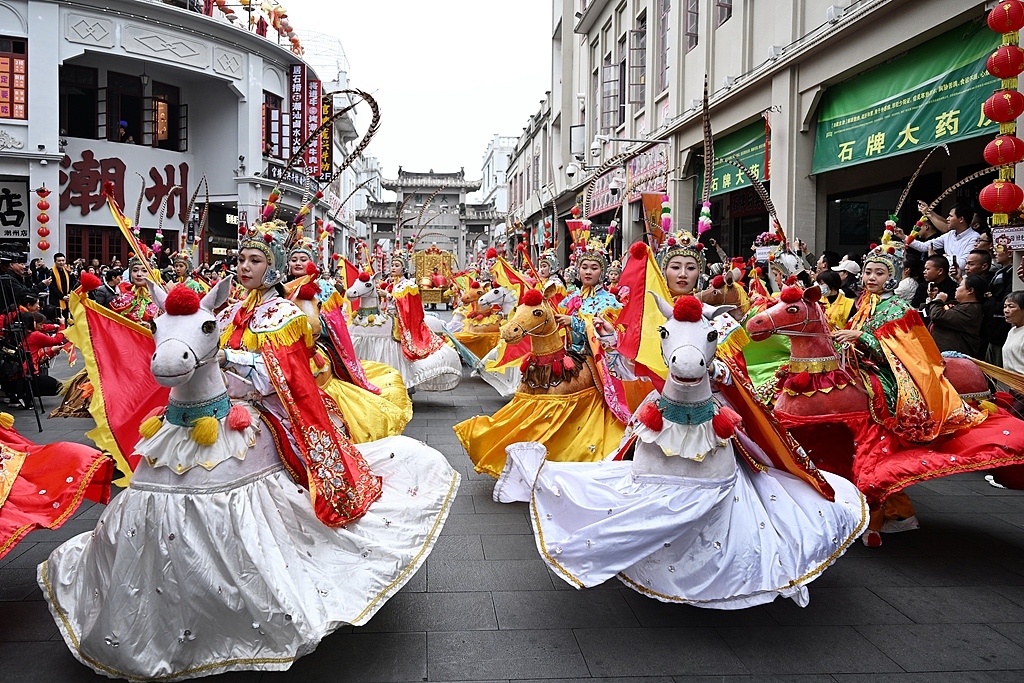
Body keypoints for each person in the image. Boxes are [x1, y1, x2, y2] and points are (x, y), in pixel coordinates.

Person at [40, 217, 460, 681]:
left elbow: (284, 376)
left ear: (274, 265)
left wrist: (230, 359)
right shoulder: (225, 311)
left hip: (262, 411)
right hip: (201, 413)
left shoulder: (285, 316)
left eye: (255, 259)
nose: (243, 266)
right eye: (240, 258)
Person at [901, 203, 980, 277]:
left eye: (950, 216)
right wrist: (903, 236)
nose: (947, 219)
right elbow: (924, 246)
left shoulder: (974, 237)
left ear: (961, 219)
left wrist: (942, 258)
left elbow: (962, 264)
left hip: (961, 281)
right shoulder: (950, 234)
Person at [926, 274, 987, 356]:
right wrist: (933, 298)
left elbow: (937, 316)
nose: (956, 288)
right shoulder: (960, 305)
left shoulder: (971, 310)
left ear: (970, 291)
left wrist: (938, 300)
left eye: (960, 286)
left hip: (954, 359)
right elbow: (931, 313)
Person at [985, 242, 1015, 365]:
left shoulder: (1012, 274)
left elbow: (1003, 303)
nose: (994, 251)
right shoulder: (999, 273)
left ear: (1010, 253)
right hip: (992, 330)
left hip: (1002, 329)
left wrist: (991, 299)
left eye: (999, 248)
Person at [109, 255, 158, 324]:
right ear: (130, 274)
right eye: (135, 270)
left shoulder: (159, 300)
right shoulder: (121, 300)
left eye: (144, 271)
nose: (139, 274)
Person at [1002, 291, 1024, 416]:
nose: (1006, 310)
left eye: (1011, 306)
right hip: (1014, 388)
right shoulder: (1012, 331)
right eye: (1005, 306)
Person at [49, 252, 77, 321]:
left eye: (63, 260)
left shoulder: (66, 270)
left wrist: (71, 273)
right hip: (56, 300)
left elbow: (73, 283)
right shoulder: (51, 272)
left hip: (67, 299)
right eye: (59, 261)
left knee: (66, 319)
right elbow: (52, 287)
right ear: (55, 261)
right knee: (58, 319)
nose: (61, 262)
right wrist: (62, 296)